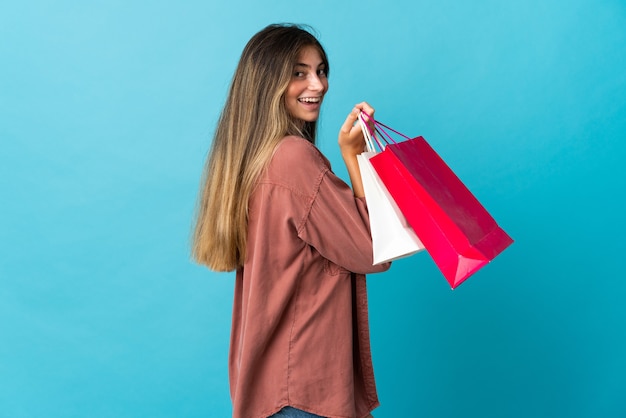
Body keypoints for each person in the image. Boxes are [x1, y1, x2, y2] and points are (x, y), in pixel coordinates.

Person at [191, 23, 390, 418]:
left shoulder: (250, 161)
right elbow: (373, 250)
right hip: (305, 391)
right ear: (268, 82)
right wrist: (354, 157)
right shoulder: (294, 159)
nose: (317, 83)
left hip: (272, 390)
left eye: (321, 70)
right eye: (298, 72)